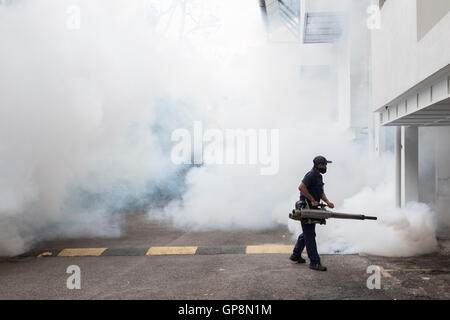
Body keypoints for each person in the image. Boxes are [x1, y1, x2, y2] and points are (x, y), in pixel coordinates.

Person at [289, 156, 334, 272]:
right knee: (309, 235)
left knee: (307, 233)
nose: (326, 167)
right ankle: (314, 262)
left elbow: (320, 192)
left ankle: (295, 255)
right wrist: (312, 200)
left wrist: (328, 202)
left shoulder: (318, 176)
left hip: (313, 209)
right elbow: (301, 187)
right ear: (319, 165)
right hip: (306, 208)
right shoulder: (311, 175)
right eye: (324, 165)